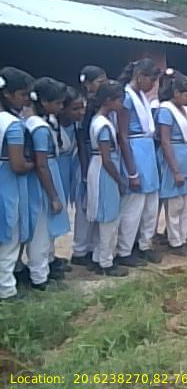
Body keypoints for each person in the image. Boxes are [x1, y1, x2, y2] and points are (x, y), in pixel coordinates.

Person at [24, 77, 71, 289]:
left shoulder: (38, 122)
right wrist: (53, 196)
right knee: (41, 230)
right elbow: (41, 164)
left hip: (47, 175)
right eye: (58, 103)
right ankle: (39, 277)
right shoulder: (40, 128)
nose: (61, 107)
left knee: (46, 227)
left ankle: (47, 267)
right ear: (44, 102)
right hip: (43, 180)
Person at [116, 59, 163, 267]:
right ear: (140, 76)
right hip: (135, 150)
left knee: (150, 205)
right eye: (152, 80)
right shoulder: (127, 98)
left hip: (147, 150)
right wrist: (132, 170)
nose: (153, 85)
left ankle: (144, 244)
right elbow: (122, 134)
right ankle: (124, 250)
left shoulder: (142, 97)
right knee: (133, 206)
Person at [156, 70, 187, 256]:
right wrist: (175, 171)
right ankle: (174, 241)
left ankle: (183, 236)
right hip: (174, 158)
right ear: (176, 93)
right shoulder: (166, 110)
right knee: (175, 204)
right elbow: (165, 141)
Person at [87, 80, 129, 277]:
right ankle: (106, 261)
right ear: (109, 101)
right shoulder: (103, 125)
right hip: (105, 172)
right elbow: (107, 159)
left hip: (102, 168)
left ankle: (98, 257)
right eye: (119, 100)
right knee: (108, 218)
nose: (121, 104)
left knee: (106, 217)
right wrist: (119, 180)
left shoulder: (101, 120)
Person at [0, 67, 35, 301]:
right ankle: (7, 290)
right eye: (22, 94)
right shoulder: (12, 124)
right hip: (8, 183)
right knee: (9, 237)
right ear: (7, 94)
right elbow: (17, 165)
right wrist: (33, 164)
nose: (25, 100)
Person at [71, 65, 107, 268]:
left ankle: (92, 248)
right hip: (86, 160)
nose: (103, 84)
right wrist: (85, 170)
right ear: (88, 84)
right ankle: (79, 249)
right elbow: (82, 140)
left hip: (92, 158)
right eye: (99, 81)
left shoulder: (99, 103)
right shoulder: (82, 105)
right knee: (84, 207)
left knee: (95, 205)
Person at [57, 87, 84, 206]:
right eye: (75, 109)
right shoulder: (53, 127)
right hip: (58, 168)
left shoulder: (78, 125)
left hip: (73, 167)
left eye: (82, 107)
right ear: (62, 109)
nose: (81, 112)